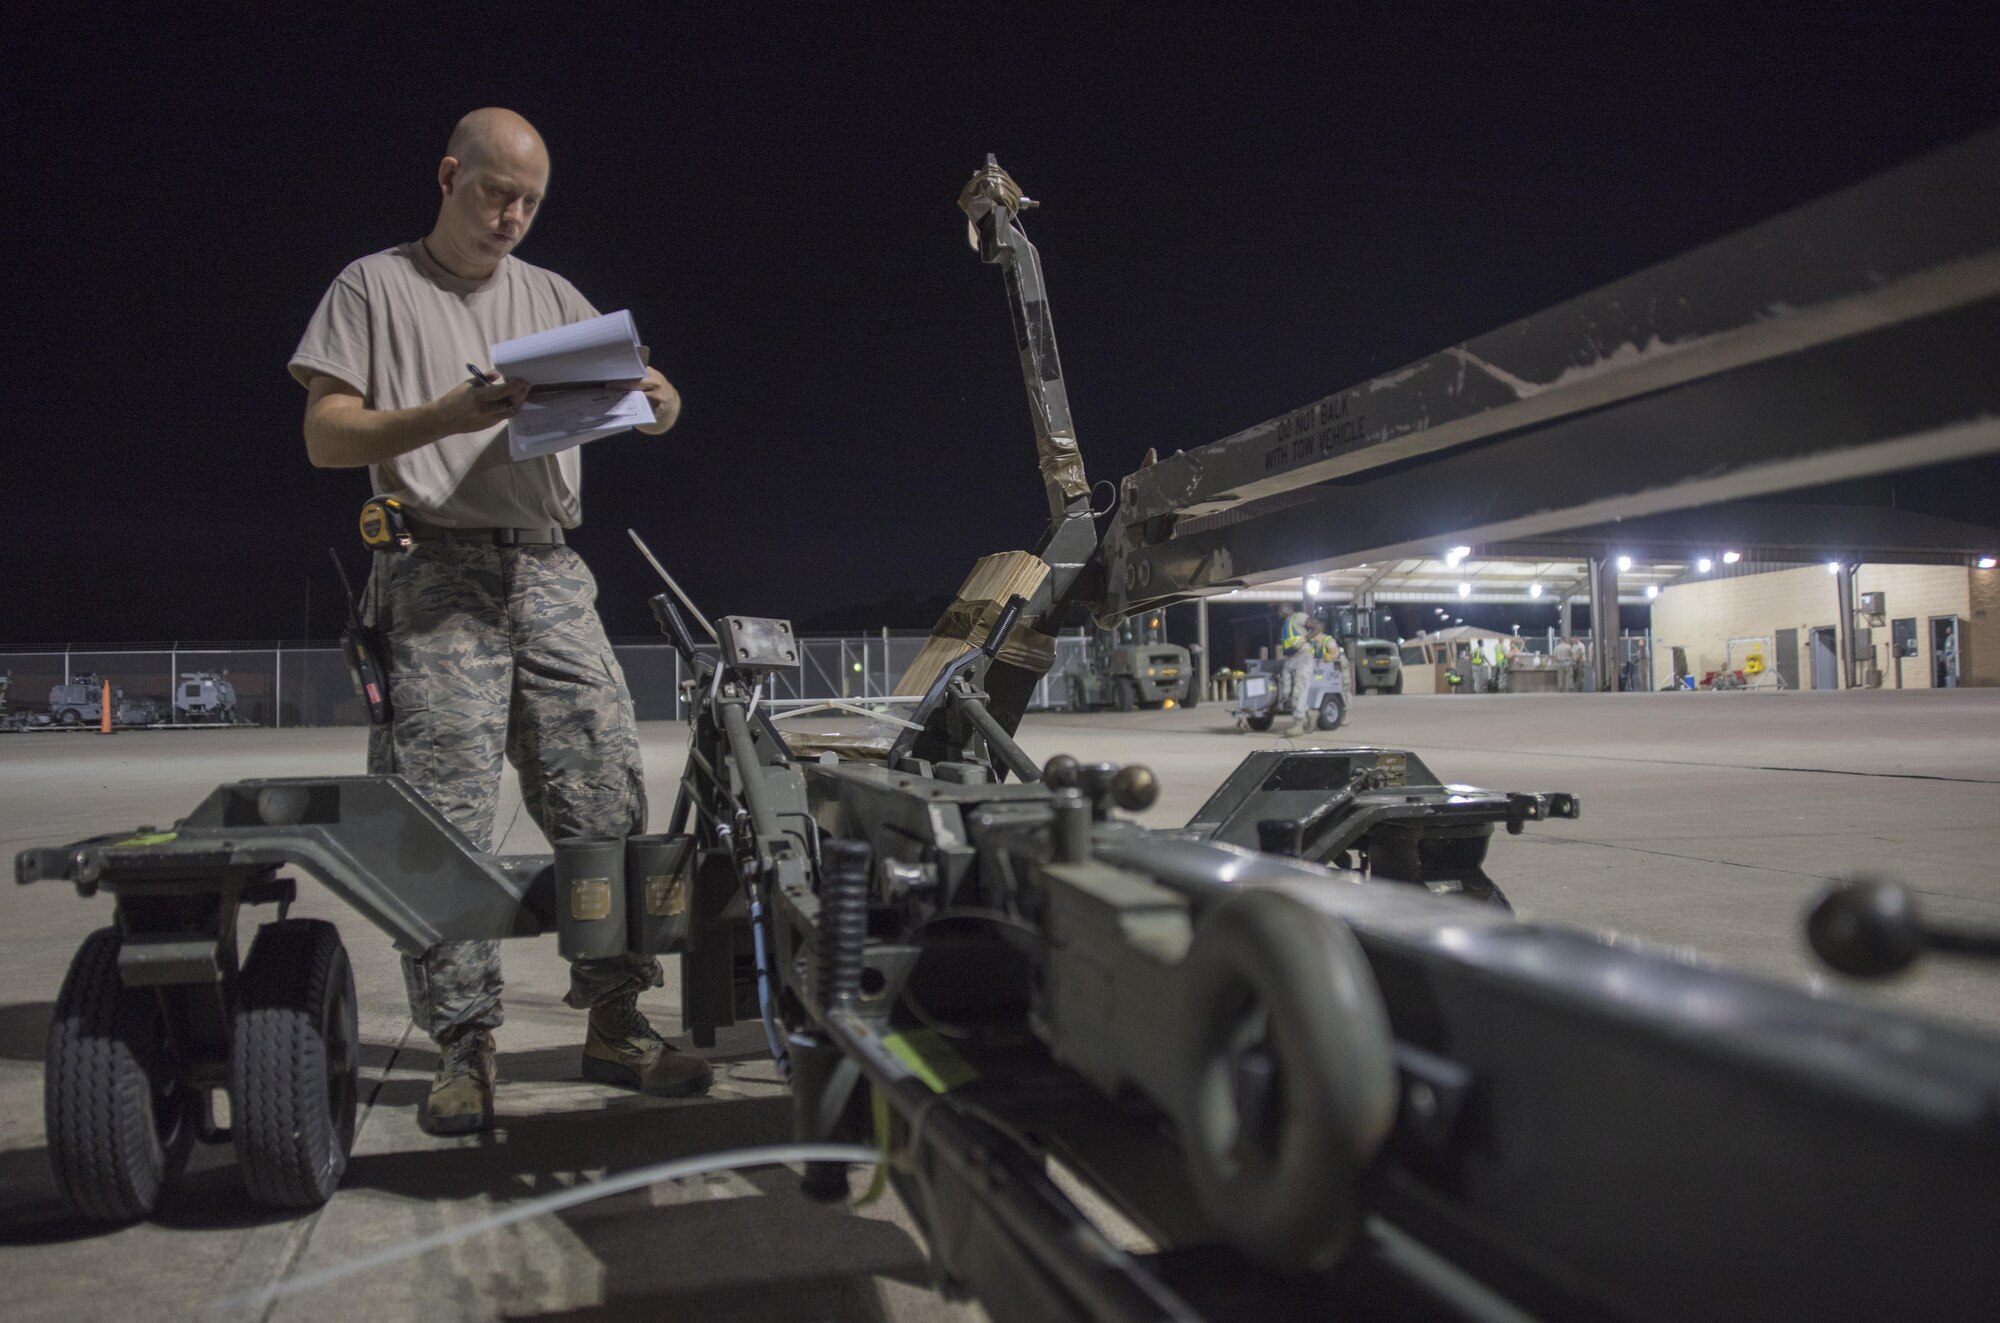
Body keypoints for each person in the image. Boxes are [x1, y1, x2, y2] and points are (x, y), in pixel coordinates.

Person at [290, 108, 708, 1135]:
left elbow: (653, 408)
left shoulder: (552, 297)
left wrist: (656, 400)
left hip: (550, 573)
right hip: (432, 572)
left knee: (603, 795)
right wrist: (442, 416)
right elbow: (325, 437)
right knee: (440, 821)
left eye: (529, 201)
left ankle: (614, 1019)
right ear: (447, 175)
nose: (512, 215)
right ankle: (462, 1047)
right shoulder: (373, 287)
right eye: (494, 194)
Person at [1277, 602, 1315, 736]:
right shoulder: (1286, 624)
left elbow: (1318, 626)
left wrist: (1305, 639)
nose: (1278, 611)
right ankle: (1311, 713)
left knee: (1299, 690)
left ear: (1289, 608)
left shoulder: (1298, 617)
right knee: (1289, 692)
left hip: (1303, 658)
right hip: (1291, 659)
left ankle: (1298, 724)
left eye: (1280, 608)